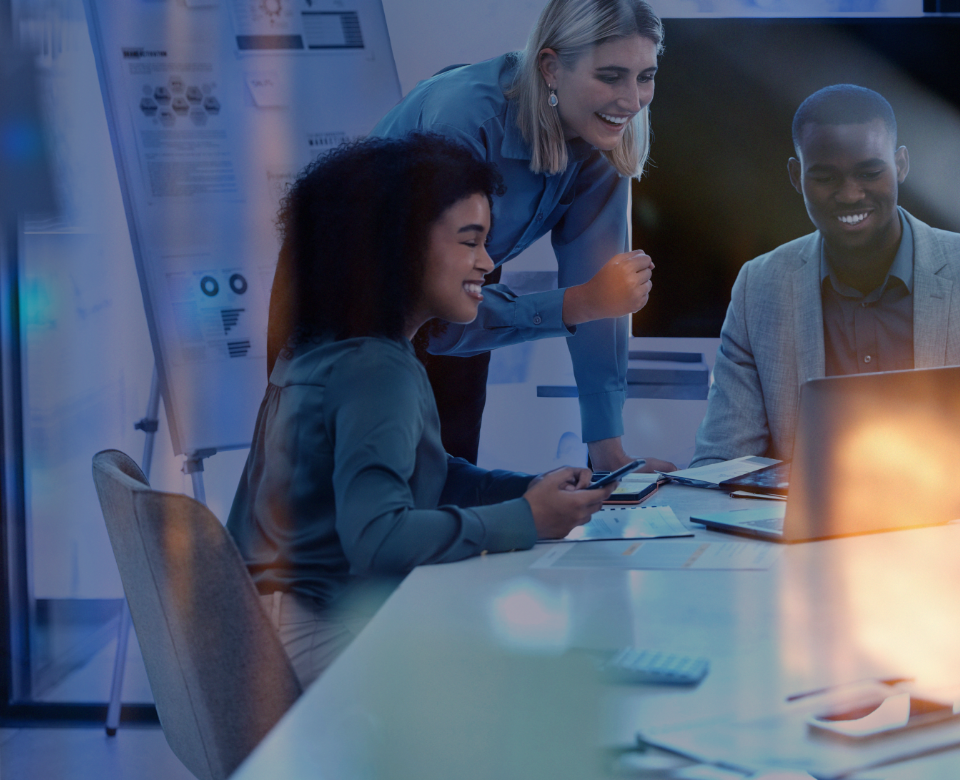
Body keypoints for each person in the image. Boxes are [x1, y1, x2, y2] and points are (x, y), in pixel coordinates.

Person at [228, 134, 614, 688]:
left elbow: (419, 469)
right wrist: (528, 518)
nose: (487, 262)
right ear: (400, 247)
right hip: (309, 638)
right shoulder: (375, 369)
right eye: (470, 242)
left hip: (265, 628)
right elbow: (379, 538)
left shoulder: (331, 347)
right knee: (549, 675)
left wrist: (528, 491)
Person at [267, 0, 673, 473]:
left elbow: (602, 298)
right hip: (348, 284)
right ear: (551, 68)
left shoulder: (605, 134)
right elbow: (437, 319)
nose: (631, 100)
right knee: (337, 495)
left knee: (451, 481)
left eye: (645, 76)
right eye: (610, 76)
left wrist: (609, 455)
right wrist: (574, 303)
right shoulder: (464, 119)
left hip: (454, 286)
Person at [691, 84, 960, 467]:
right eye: (826, 178)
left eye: (869, 172)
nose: (850, 195)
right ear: (796, 176)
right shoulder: (760, 288)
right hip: (807, 527)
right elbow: (720, 464)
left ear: (900, 166)